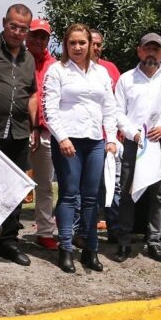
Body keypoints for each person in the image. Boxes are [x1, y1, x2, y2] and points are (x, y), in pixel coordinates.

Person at [42, 23, 121, 272]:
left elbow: (109, 107)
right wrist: (62, 137)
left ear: (90, 45)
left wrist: (111, 138)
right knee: (68, 194)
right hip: (68, 141)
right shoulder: (57, 71)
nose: (77, 47)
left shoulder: (101, 74)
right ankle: (66, 248)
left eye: (82, 43)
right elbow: (50, 109)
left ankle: (90, 249)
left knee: (90, 198)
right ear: (66, 45)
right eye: (72, 43)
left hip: (95, 140)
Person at [113, 33, 161, 262]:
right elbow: (117, 112)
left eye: (156, 49)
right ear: (139, 51)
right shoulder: (126, 79)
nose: (151, 53)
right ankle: (124, 241)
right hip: (135, 142)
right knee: (127, 191)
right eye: (147, 49)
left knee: (159, 193)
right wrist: (132, 134)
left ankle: (154, 240)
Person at [0, 4, 38, 268]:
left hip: (19, 133)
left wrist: (34, 127)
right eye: (13, 26)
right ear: (4, 22)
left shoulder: (29, 59)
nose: (16, 32)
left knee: (14, 190)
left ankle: (9, 241)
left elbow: (33, 93)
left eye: (22, 29)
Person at [26, 18, 58, 251]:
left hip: (45, 131)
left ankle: (45, 231)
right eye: (35, 34)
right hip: (17, 128)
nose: (38, 39)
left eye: (43, 36)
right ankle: (6, 230)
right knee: (10, 182)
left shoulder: (56, 66)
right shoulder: (18, 58)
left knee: (45, 184)